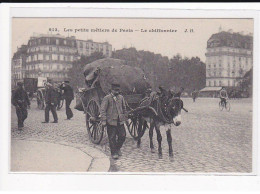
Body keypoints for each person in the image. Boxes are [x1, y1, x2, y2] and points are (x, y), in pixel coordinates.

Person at [100, 83, 127, 160]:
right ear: (111, 90)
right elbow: (103, 110)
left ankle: (118, 148)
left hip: (120, 121)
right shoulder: (107, 98)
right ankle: (114, 153)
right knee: (112, 137)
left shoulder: (121, 98)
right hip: (111, 121)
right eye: (115, 90)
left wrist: (124, 116)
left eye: (118, 90)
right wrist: (104, 121)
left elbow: (124, 108)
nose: (117, 92)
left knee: (123, 136)